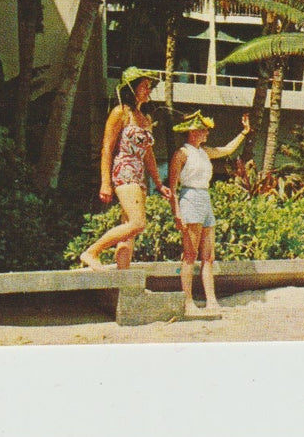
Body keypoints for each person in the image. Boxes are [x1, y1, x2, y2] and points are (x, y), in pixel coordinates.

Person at [79, 71, 170, 270]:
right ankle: (92, 251)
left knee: (129, 232)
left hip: (139, 175)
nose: (148, 90)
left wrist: (159, 183)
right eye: (144, 85)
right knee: (138, 223)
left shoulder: (145, 118)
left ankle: (123, 279)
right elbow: (107, 148)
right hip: (124, 170)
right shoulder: (120, 112)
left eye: (149, 86)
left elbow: (148, 155)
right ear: (132, 87)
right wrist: (105, 182)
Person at [169, 110, 250, 316]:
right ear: (193, 131)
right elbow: (172, 187)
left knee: (208, 256)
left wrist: (244, 132)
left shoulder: (204, 152)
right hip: (190, 199)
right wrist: (176, 212)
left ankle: (211, 300)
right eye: (203, 130)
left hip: (205, 199)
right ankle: (188, 301)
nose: (207, 133)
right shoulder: (181, 154)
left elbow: (226, 150)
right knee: (190, 254)